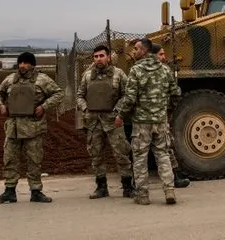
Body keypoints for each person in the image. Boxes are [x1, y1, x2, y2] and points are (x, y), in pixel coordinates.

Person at [0, 52, 65, 203]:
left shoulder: (42, 80)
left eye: (26, 63)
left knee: (34, 160)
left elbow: (59, 93)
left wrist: (44, 106)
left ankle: (36, 191)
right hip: (13, 128)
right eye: (21, 63)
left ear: (33, 65)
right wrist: (0, 106)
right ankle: (9, 191)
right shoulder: (10, 79)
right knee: (10, 159)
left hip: (33, 128)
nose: (23, 65)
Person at [114, 38, 177, 205]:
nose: (134, 52)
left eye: (136, 49)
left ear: (144, 51)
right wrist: (165, 109)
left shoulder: (136, 70)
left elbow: (130, 99)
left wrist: (121, 116)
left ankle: (142, 195)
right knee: (162, 154)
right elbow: (175, 92)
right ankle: (169, 190)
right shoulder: (165, 70)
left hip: (142, 123)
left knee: (140, 157)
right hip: (160, 120)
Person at [76, 45, 133, 199]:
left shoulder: (118, 74)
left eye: (101, 56)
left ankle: (128, 186)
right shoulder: (87, 76)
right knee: (96, 155)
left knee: (121, 153)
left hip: (113, 121)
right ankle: (101, 187)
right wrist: (86, 109)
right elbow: (80, 95)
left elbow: (127, 95)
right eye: (95, 56)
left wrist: (117, 111)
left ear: (108, 57)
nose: (98, 59)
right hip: (94, 122)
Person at [154, 44, 190, 188]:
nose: (164, 57)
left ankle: (175, 175)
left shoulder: (139, 70)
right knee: (158, 148)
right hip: (153, 116)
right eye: (161, 54)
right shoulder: (144, 70)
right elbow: (175, 93)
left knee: (165, 146)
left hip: (158, 114)